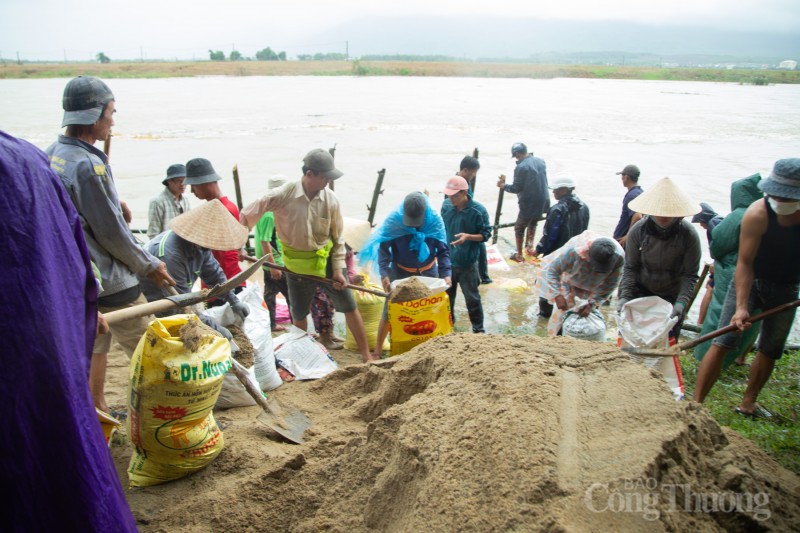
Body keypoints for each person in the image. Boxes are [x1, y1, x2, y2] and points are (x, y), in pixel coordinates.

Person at [1, 130, 138, 531]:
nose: (112, 123)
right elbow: (90, 239)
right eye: (111, 115)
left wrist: (85, 299)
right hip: (42, 336)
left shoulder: (45, 157)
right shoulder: (31, 161)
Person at [46, 76, 175, 415]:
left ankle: (97, 407)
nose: (113, 121)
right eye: (111, 113)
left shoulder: (54, 154)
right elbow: (112, 233)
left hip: (79, 276)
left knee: (96, 342)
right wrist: (148, 264)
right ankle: (164, 410)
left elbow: (87, 212)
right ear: (95, 115)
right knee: (147, 347)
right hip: (109, 278)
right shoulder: (90, 166)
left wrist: (113, 201)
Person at [241, 149, 375, 362]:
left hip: (327, 261)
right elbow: (250, 212)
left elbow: (338, 238)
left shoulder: (331, 199)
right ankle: (300, 356)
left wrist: (339, 271)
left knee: (349, 306)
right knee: (299, 313)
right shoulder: (284, 194)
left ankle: (367, 355)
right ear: (309, 174)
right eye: (325, 177)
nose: (328, 182)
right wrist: (238, 242)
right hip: (296, 264)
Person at [693, 159, 800, 419]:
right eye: (774, 194)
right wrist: (741, 306)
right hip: (752, 280)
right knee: (724, 340)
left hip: (787, 286)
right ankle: (694, 406)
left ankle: (748, 403)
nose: (779, 200)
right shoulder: (757, 213)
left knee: (771, 348)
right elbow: (745, 262)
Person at [359, 191, 452, 358]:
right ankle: (378, 351)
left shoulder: (435, 221)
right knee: (390, 309)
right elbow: (383, 250)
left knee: (429, 309)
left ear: (425, 214)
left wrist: (446, 274)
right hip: (400, 273)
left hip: (429, 273)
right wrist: (385, 275)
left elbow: (443, 250)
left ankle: (427, 347)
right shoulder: (395, 221)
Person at [137, 199, 251, 326]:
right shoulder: (170, 255)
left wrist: (233, 300)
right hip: (155, 304)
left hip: (179, 299)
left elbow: (214, 275)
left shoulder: (201, 247)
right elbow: (181, 301)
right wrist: (212, 326)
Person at [617, 177, 701, 341]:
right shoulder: (638, 231)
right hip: (641, 290)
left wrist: (681, 303)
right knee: (631, 338)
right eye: (659, 211)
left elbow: (690, 275)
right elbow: (630, 268)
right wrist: (624, 297)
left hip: (671, 293)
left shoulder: (689, 235)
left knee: (665, 341)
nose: (663, 216)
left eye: (668, 212)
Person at [693, 174, 764, 368]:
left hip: (733, 274)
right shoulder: (766, 214)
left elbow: (718, 246)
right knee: (752, 319)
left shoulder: (738, 215)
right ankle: (740, 357)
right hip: (759, 276)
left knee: (720, 316)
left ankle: (706, 357)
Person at [538, 231, 624, 336]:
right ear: (588, 254)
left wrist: (593, 303)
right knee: (561, 317)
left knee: (586, 321)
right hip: (569, 284)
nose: (596, 270)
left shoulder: (619, 259)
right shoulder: (575, 251)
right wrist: (557, 294)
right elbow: (552, 271)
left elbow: (610, 285)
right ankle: (556, 336)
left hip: (593, 289)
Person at [184, 157, 245, 300]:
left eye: (194, 185)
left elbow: (219, 252)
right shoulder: (224, 206)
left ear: (206, 183)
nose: (192, 191)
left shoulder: (223, 209)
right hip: (218, 281)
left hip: (225, 282)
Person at [534, 172, 590, 318]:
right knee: (570, 287)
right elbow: (586, 233)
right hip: (578, 255)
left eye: (556, 190)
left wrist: (539, 250)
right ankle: (568, 314)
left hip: (557, 254)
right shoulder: (584, 207)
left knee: (547, 284)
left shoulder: (557, 209)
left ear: (565, 190)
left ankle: (544, 315)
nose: (553, 192)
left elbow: (550, 236)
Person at [442, 176, 491, 333]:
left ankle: (478, 330)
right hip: (448, 262)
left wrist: (468, 237)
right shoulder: (446, 206)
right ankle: (449, 326)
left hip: (468, 262)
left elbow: (486, 235)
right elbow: (441, 228)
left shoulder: (478, 210)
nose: (450, 199)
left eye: (454, 195)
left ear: (464, 193)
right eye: (449, 195)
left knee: (472, 298)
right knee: (446, 299)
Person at [496, 142, 549, 262]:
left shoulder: (521, 167)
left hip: (529, 202)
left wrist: (503, 185)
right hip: (543, 200)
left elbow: (516, 188)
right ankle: (529, 247)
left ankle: (519, 255)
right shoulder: (540, 161)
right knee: (533, 223)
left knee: (519, 228)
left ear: (517, 154)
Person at [254, 175, 292, 331]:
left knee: (270, 293)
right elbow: (265, 240)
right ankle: (298, 325)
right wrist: (274, 266)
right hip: (275, 261)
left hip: (266, 259)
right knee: (291, 295)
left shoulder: (265, 208)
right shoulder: (270, 214)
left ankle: (271, 324)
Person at [690, 202, 724, 325]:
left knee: (710, 289)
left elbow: (720, 245)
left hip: (722, 263)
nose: (701, 225)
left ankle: (700, 323)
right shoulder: (719, 220)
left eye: (700, 222)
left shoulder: (713, 223)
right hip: (722, 262)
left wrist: (716, 262)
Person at [458, 155, 491, 284]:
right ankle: (483, 276)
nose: (473, 176)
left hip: (469, 218)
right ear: (465, 170)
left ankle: (483, 276)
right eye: (473, 173)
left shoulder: (466, 182)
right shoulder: (457, 184)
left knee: (480, 244)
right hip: (464, 220)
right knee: (478, 245)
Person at [147, 163, 191, 239]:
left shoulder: (186, 200)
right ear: (169, 181)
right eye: (179, 181)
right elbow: (153, 233)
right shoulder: (157, 202)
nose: (183, 184)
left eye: (185, 180)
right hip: (164, 246)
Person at [612, 164, 644, 249]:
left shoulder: (632, 195)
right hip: (632, 241)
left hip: (623, 241)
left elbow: (638, 216)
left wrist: (628, 236)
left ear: (626, 177)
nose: (621, 178)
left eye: (622, 176)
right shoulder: (640, 192)